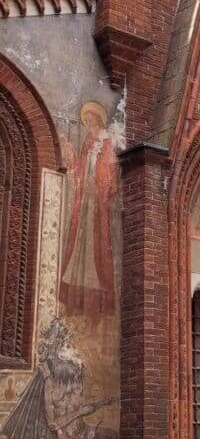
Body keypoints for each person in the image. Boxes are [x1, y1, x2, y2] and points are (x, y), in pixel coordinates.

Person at [60, 102, 119, 318]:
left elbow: (111, 171)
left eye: (92, 119)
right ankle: (75, 290)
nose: (89, 123)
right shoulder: (87, 141)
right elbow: (80, 167)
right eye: (88, 120)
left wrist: (101, 186)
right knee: (80, 238)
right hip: (85, 196)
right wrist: (68, 151)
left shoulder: (107, 140)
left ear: (99, 120)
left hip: (98, 199)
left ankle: (98, 295)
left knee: (97, 241)